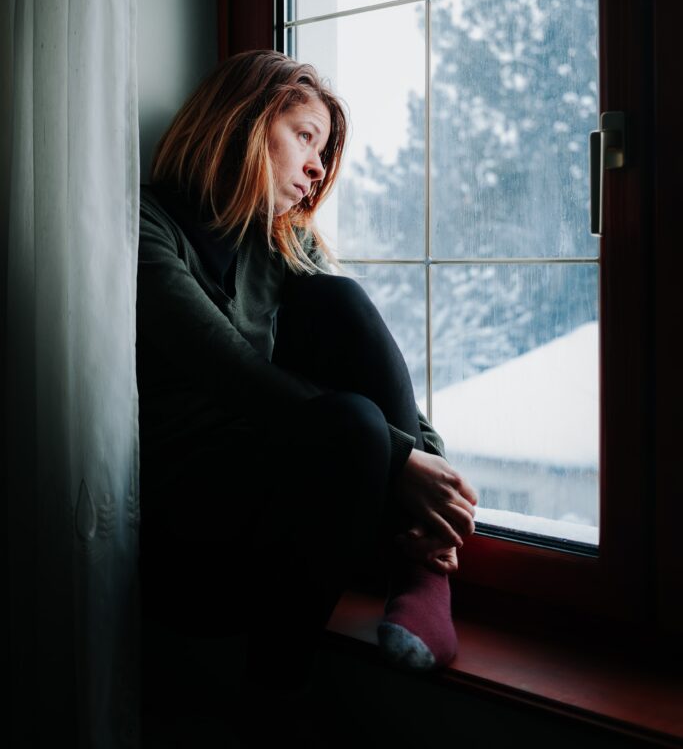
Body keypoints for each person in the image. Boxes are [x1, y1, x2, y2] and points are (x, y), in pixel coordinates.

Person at [136, 50, 477, 744]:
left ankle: (422, 566)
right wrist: (401, 464)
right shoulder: (140, 224)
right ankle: (276, 694)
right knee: (351, 421)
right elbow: (226, 369)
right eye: (306, 137)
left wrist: (424, 464)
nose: (319, 168)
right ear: (242, 123)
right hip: (191, 531)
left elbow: (373, 355)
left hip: (295, 519)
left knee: (339, 302)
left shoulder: (282, 245)